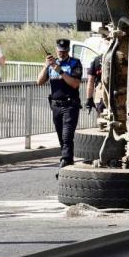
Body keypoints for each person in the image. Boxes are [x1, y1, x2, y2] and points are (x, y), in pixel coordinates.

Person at [37, 38, 83, 169]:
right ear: (56, 50)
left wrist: (61, 71)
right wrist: (46, 66)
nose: (61, 54)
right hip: (56, 105)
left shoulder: (75, 63)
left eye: (64, 52)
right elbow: (39, 82)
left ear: (68, 50)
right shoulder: (52, 64)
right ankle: (68, 159)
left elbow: (75, 84)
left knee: (67, 135)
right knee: (61, 136)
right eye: (59, 52)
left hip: (70, 105)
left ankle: (65, 160)